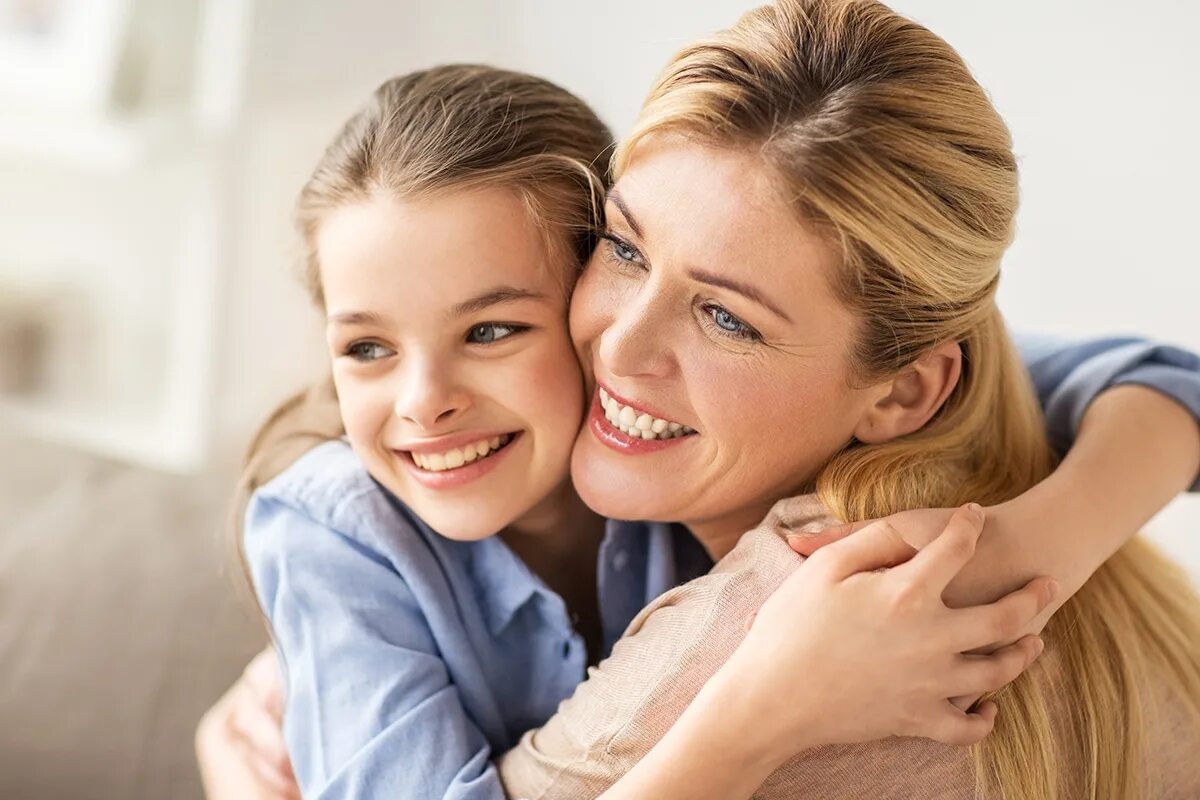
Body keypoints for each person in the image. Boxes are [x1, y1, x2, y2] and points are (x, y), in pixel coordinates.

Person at [196, 3, 1200, 797]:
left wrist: (1022, 554)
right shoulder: (364, 521)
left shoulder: (802, 559)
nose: (622, 347)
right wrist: (766, 706)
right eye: (628, 251)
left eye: (726, 317)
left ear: (902, 393)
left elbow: (1160, 375)